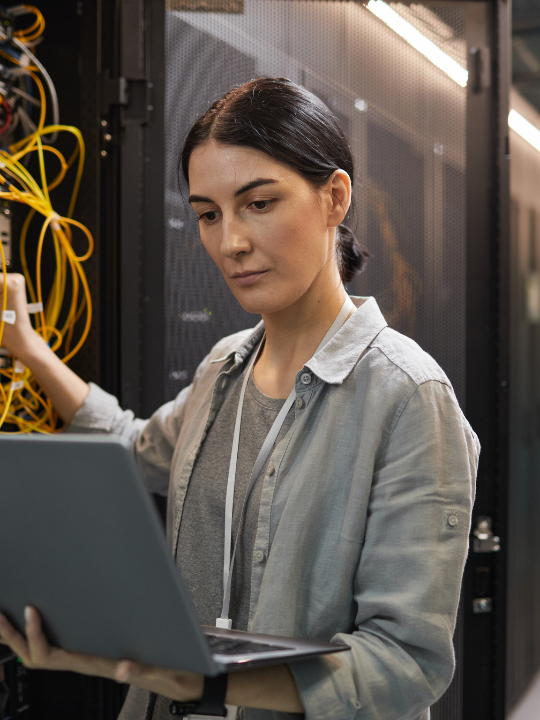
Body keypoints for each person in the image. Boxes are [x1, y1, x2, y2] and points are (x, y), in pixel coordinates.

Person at [0, 77, 479, 720]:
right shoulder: (223, 367)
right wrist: (29, 350)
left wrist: (206, 682)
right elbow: (131, 446)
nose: (230, 243)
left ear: (334, 197)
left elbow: (404, 663)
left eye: (258, 203)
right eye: (208, 214)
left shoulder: (408, 398)